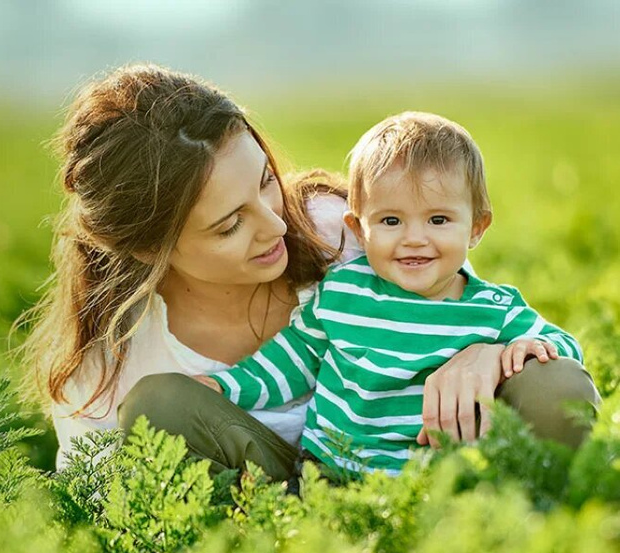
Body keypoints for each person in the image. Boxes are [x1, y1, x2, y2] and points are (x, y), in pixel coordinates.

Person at [17, 64, 599, 482]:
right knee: (157, 405)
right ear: (150, 249)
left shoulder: (353, 230)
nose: (275, 225)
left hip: (438, 466)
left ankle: (516, 533)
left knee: (556, 386)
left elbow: (465, 303)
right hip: (299, 498)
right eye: (229, 225)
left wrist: (488, 355)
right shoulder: (105, 364)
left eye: (265, 179)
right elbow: (98, 500)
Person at [195, 111, 588, 476]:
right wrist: (227, 386)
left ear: (476, 227)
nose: (413, 239)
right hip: (326, 474)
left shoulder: (492, 310)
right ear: (359, 228)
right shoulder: (343, 292)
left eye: (438, 219)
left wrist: (516, 350)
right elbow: (292, 360)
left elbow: (564, 351)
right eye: (391, 221)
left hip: (433, 482)